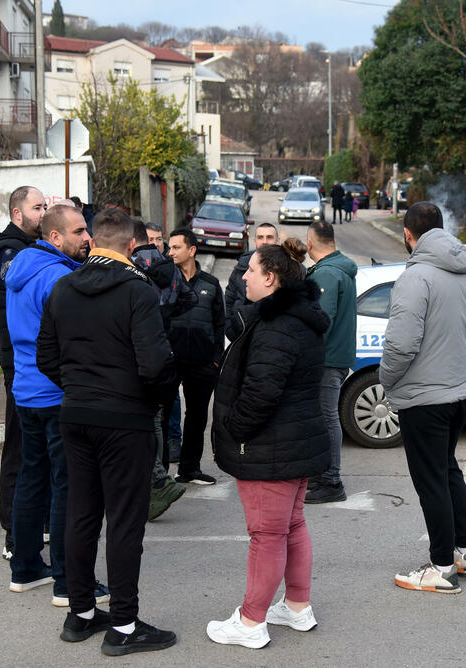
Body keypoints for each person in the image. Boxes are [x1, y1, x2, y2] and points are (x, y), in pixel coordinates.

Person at [37, 208, 178, 656]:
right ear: (132, 246)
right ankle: (123, 624)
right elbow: (156, 364)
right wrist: (149, 401)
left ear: (95, 241)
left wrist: (80, 388)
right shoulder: (138, 290)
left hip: (76, 414)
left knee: (81, 514)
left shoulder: (63, 287)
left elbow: (46, 357)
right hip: (123, 420)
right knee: (123, 522)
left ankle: (80, 614)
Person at [206, 239, 330, 649]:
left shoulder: (278, 326)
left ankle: (250, 622)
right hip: (294, 443)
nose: (244, 276)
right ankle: (296, 607)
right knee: (290, 526)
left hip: (272, 446)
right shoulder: (297, 318)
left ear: (271, 278)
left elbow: (261, 393)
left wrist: (234, 428)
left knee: (267, 534)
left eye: (251, 270)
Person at [4, 204, 110, 608]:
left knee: (33, 477)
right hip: (55, 393)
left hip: (26, 391)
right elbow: (76, 339)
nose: (88, 238)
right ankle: (68, 581)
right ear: (54, 237)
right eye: (80, 231)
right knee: (69, 486)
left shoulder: (22, 267)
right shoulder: (60, 277)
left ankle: (26, 568)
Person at [379, 202, 466, 595]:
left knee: (432, 482)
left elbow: (402, 344)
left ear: (409, 236)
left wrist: (385, 380)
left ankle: (442, 566)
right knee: (447, 469)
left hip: (425, 398)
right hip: (460, 393)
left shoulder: (415, 278)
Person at [0, 185, 47, 560]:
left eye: (45, 206)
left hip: (36, 361)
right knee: (20, 446)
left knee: (38, 446)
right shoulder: (9, 250)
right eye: (37, 207)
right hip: (20, 361)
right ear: (17, 213)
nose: (43, 212)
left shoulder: (30, 247)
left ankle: (35, 521)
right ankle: (13, 529)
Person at [130, 222, 197, 521]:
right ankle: (158, 477)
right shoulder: (169, 268)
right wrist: (166, 318)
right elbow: (190, 299)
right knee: (157, 418)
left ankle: (154, 481)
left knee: (140, 421)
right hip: (163, 349)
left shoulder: (128, 266)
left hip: (136, 351)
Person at [164, 228, 225, 485]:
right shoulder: (165, 281)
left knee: (197, 417)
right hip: (169, 362)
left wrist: (215, 361)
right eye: (169, 247)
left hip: (202, 364)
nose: (170, 252)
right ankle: (160, 475)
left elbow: (220, 324)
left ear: (192, 250)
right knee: (163, 417)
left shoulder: (210, 284)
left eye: (176, 247)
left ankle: (189, 469)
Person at [304, 220, 358, 504]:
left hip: (326, 358)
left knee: (326, 417)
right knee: (324, 417)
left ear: (310, 243)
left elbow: (320, 321)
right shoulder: (341, 269)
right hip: (336, 356)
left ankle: (331, 481)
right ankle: (321, 474)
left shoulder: (326, 273)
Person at [224, 222, 277, 340]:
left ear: (277, 240)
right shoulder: (241, 267)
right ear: (255, 241)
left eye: (269, 237)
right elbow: (228, 299)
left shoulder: (287, 270)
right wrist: (230, 328)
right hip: (240, 336)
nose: (264, 241)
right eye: (260, 237)